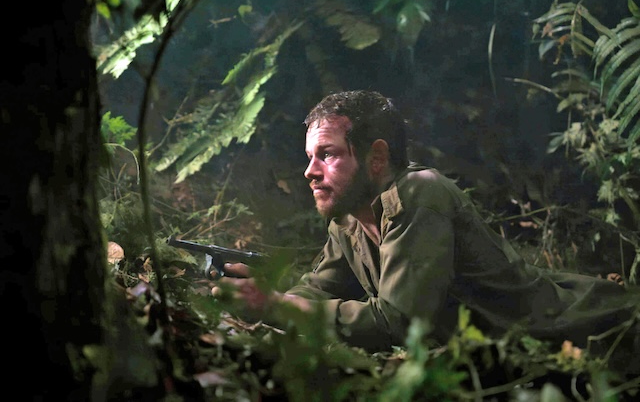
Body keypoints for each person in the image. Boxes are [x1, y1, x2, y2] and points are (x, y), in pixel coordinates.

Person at [212, 90, 640, 372]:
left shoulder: (420, 193)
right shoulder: (350, 215)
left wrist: (277, 306)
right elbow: (320, 290)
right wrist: (260, 299)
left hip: (595, 333)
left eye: (327, 154)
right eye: (310, 156)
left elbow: (398, 323)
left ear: (377, 157)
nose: (310, 171)